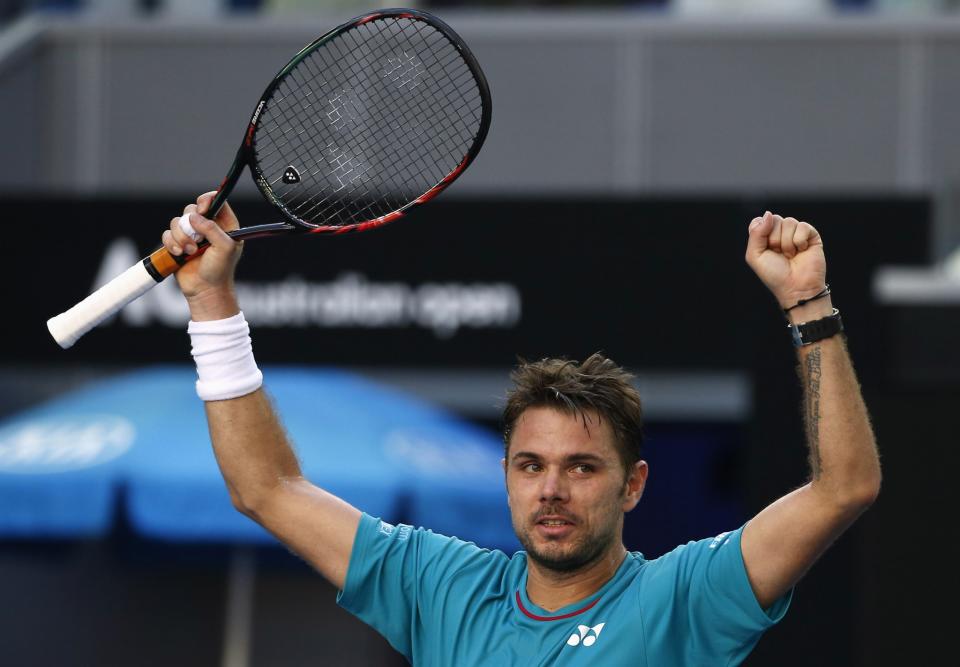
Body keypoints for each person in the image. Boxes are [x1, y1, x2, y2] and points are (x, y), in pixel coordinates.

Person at [163, 194, 881, 666]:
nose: (553, 490)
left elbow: (844, 486)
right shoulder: (441, 586)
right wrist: (213, 299)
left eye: (582, 467)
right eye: (531, 465)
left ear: (634, 484)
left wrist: (807, 302)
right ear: (506, 474)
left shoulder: (683, 597)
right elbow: (266, 488)